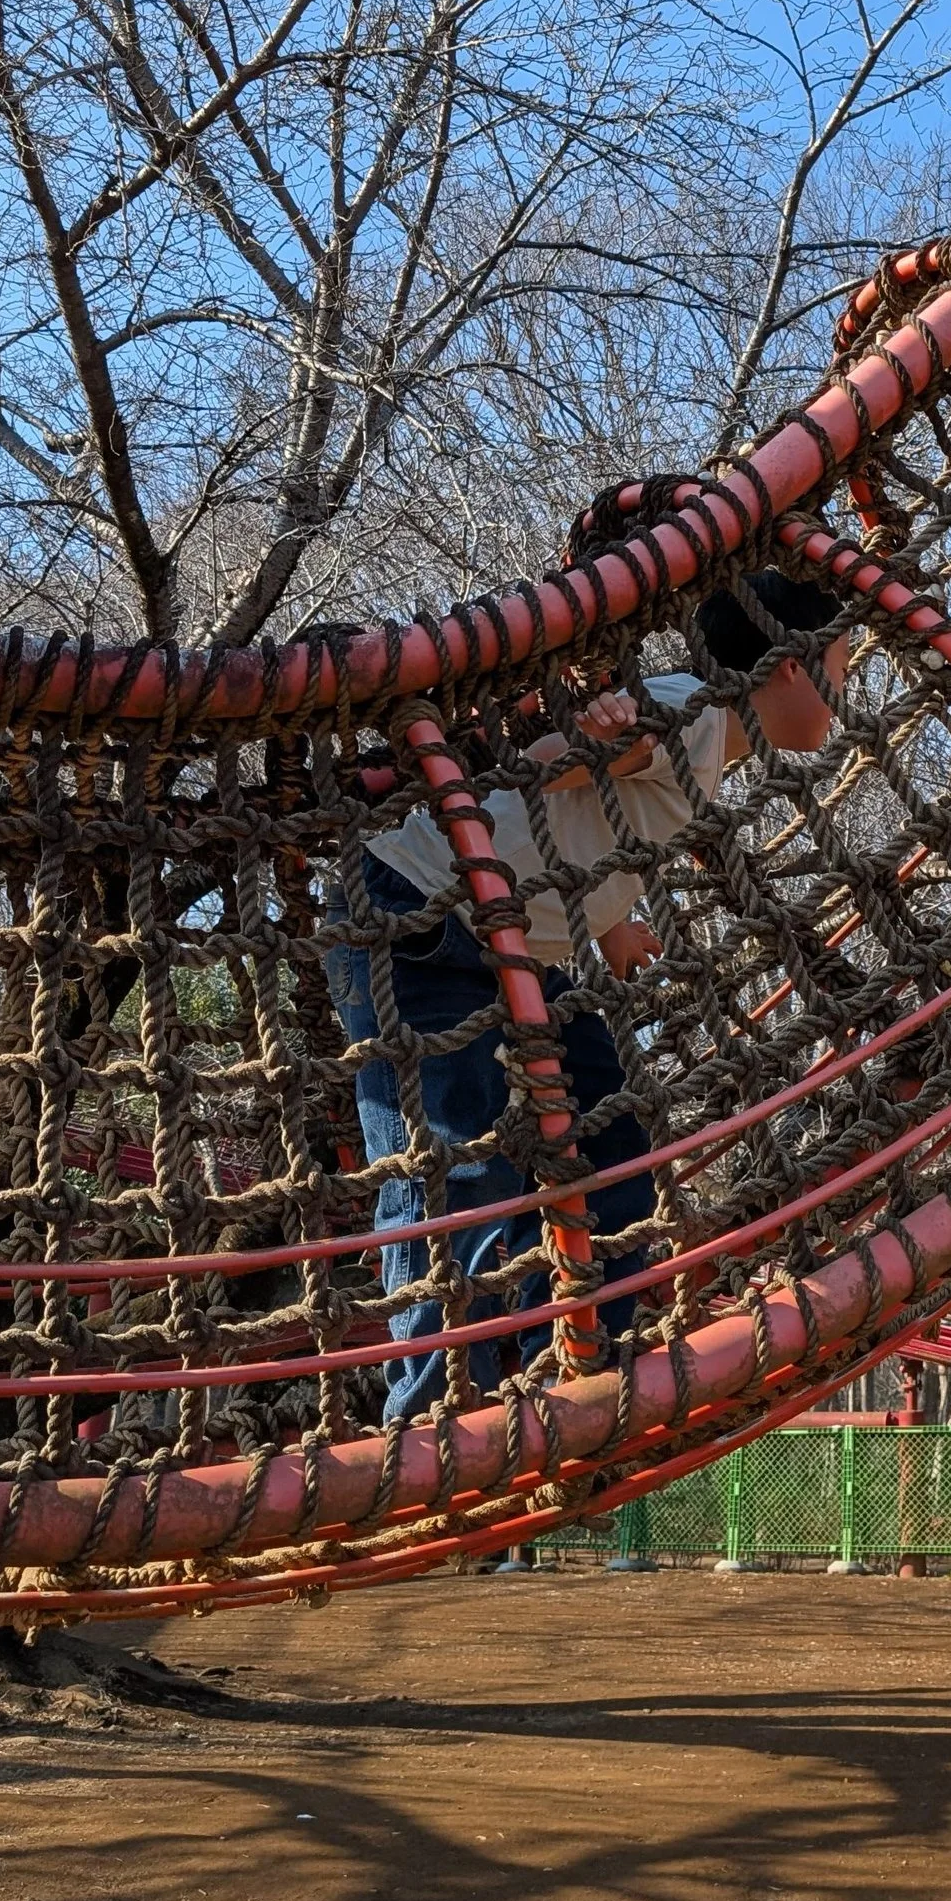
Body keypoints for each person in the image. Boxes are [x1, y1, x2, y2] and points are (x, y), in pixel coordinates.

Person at [326, 561, 849, 1420]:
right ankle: (433, 1414)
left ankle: (561, 1363)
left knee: (615, 1148)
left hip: (512, 943)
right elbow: (554, 772)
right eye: (843, 665)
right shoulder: (692, 714)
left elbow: (597, 818)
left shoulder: (706, 736)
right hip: (415, 920)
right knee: (454, 1170)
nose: (843, 690)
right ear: (791, 663)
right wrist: (590, 738)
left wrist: (611, 924)